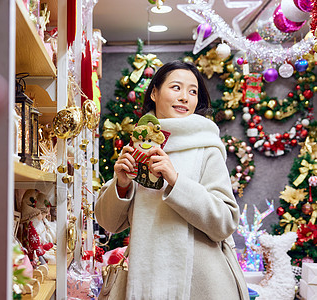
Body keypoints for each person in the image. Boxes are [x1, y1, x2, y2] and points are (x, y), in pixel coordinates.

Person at [95, 60, 249, 299]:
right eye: (176, 87)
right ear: (155, 92)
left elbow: (226, 222)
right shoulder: (138, 145)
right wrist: (122, 184)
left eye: (193, 91)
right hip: (143, 282)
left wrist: (176, 181)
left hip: (199, 286)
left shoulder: (207, 147)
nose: (185, 97)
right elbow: (109, 223)